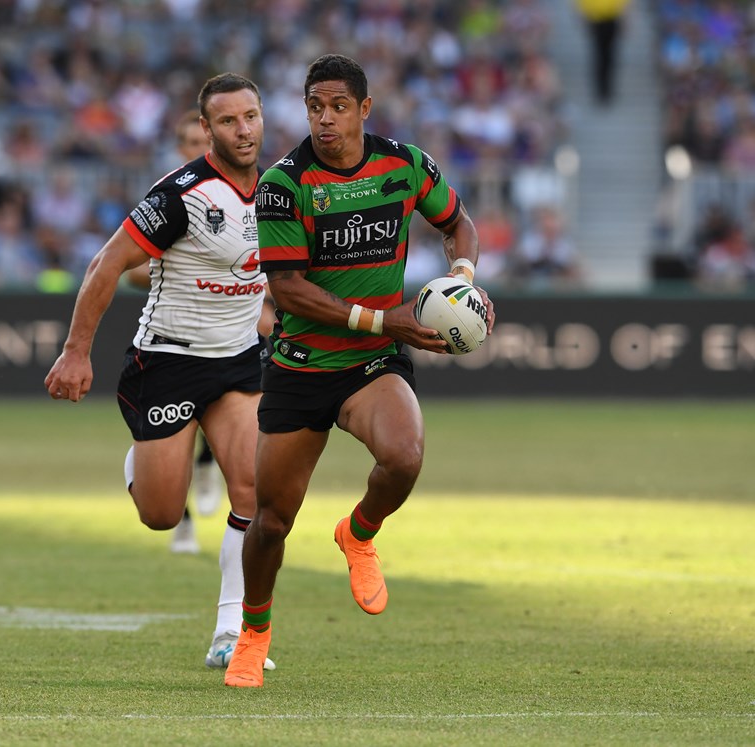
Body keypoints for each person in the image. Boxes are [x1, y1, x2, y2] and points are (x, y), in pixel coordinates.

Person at [224, 54, 495, 687]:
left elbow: (458, 223)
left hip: (371, 362)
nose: (325, 119)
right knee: (272, 521)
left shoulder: (404, 164)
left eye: (339, 107)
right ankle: (253, 633)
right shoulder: (284, 184)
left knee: (404, 457)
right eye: (315, 107)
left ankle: (358, 532)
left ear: (364, 109)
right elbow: (288, 290)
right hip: (301, 364)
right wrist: (383, 320)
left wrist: (461, 278)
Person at [44, 73, 275, 672]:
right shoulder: (180, 194)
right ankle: (144, 461)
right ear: (206, 128)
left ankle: (232, 632)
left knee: (253, 491)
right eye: (228, 120)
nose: (243, 130)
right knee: (161, 514)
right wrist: (76, 351)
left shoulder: (280, 190)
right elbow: (107, 264)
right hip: (169, 360)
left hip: (237, 362)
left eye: (250, 116)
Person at [127, 108, 222, 555]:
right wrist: (185, 274)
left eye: (204, 142)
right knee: (169, 440)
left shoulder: (243, 194)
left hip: (227, 332)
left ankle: (208, 461)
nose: (200, 150)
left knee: (229, 417)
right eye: (191, 143)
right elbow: (129, 268)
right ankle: (182, 521)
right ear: (181, 148)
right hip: (174, 334)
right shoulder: (168, 196)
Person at [575, 0, 631, 106]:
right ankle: (600, 89)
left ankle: (607, 87)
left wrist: (625, 17)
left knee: (609, 55)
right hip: (595, 18)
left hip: (612, 17)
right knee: (599, 54)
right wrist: (582, 14)